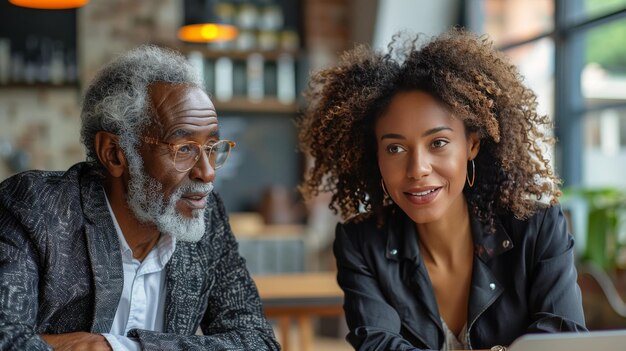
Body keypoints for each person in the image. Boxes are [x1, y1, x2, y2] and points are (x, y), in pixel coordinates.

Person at [298, 29, 587, 351]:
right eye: (395, 149)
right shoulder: (362, 243)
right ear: (375, 156)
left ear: (472, 144)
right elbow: (377, 345)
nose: (417, 168)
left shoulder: (537, 227)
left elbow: (564, 341)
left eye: (438, 143)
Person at [0, 45, 280, 351]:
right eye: (184, 148)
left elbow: (258, 341)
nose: (208, 172)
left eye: (212, 146)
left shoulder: (208, 219)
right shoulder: (35, 208)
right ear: (115, 154)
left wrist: (112, 347)